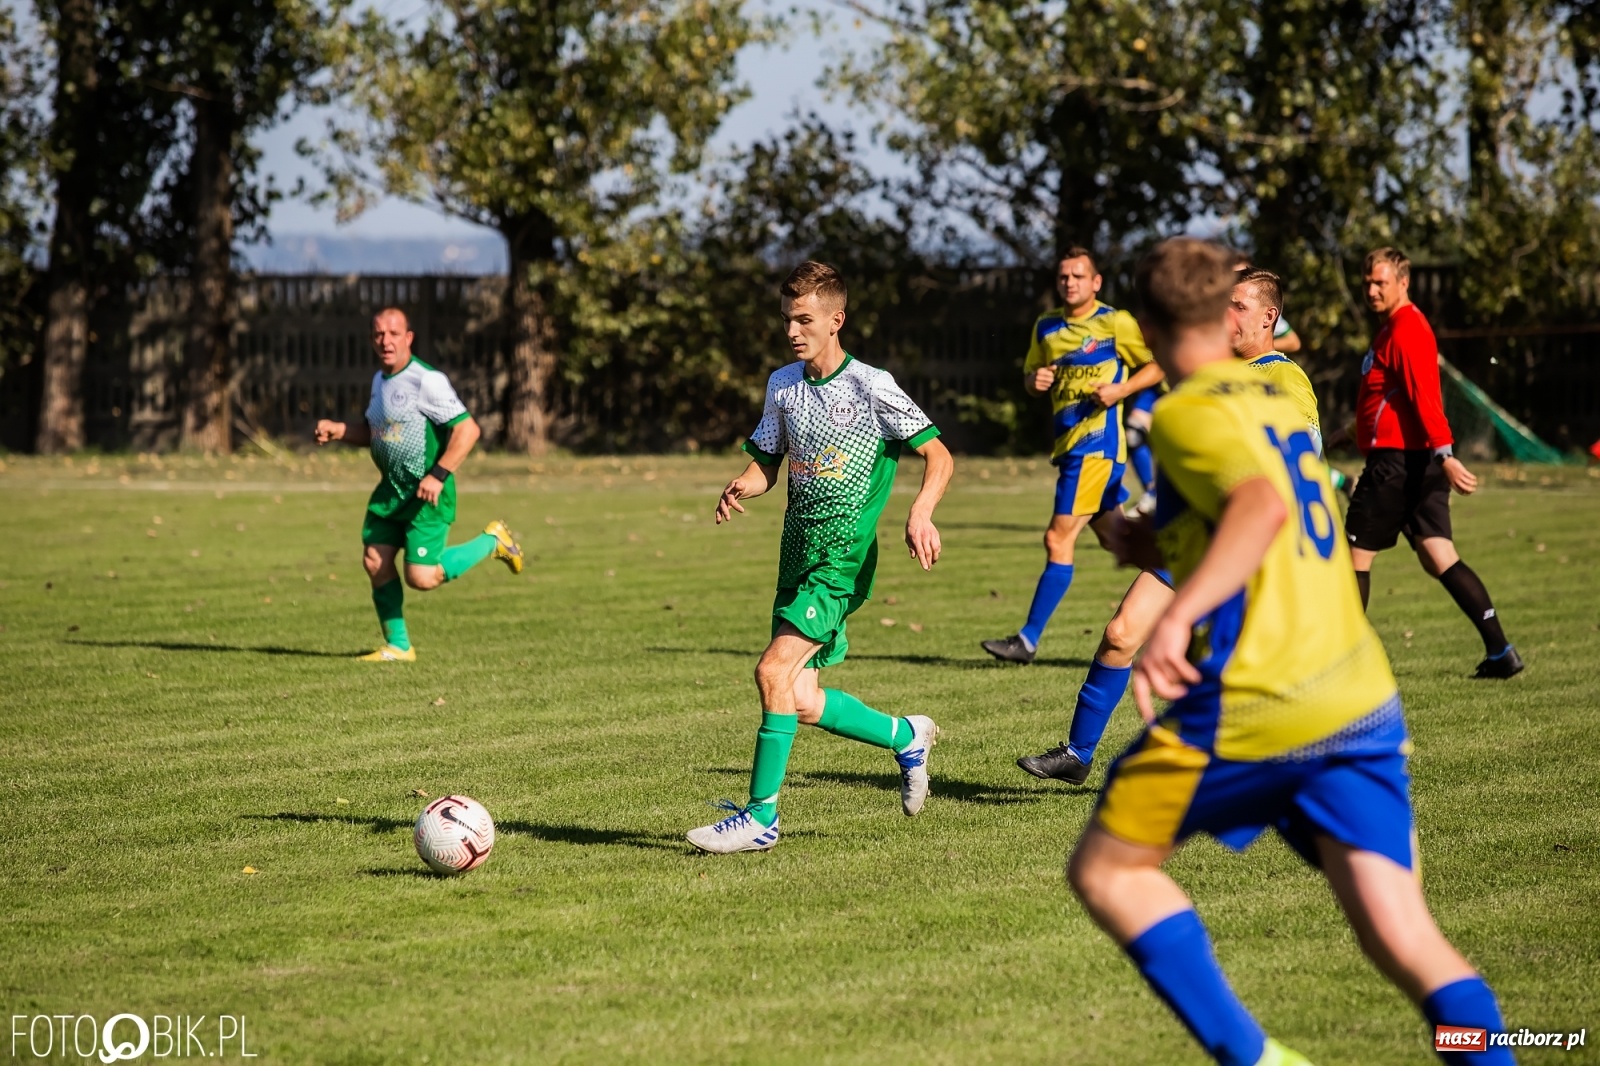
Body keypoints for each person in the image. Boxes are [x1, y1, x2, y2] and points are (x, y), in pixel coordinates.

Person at [1064, 237, 1512, 1066]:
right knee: (1405, 938)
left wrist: (1175, 617)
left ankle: (1255, 1059)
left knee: (1107, 870)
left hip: (1261, 696)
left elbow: (1261, 508)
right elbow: (1258, 512)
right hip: (1357, 690)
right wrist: (1149, 543)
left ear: (1154, 325)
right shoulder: (1271, 397)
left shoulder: (1189, 410)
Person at [1017, 267, 1325, 786]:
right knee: (1119, 633)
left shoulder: (1283, 377)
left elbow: (1301, 462)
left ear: (1270, 316)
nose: (1226, 317)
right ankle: (1078, 753)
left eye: (1240, 307)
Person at [687, 261, 955, 854]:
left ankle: (760, 818)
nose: (792, 330)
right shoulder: (782, 384)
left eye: (804, 319)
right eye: (787, 319)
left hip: (841, 560)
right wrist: (742, 484)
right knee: (801, 698)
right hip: (796, 555)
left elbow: (939, 457)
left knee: (771, 672)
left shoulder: (873, 386)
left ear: (836, 320)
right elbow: (767, 463)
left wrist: (920, 512)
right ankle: (905, 735)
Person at [1344, 248, 1522, 679]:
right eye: (1367, 282)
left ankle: (1341, 663)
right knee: (1438, 555)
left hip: (1399, 463)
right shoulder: (1391, 328)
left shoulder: (1407, 328)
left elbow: (1426, 396)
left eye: (1380, 283)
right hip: (1411, 460)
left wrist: (1444, 453)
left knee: (1353, 558)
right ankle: (1501, 652)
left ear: (1403, 283)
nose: (1371, 290)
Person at [981, 248, 1164, 664]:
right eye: (1064, 276)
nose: (1070, 282)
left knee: (1058, 537)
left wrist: (1121, 390)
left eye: (1079, 276)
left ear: (1095, 282)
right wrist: (1035, 380)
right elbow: (1031, 377)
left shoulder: (1115, 322)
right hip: (1068, 448)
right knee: (1123, 542)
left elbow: (1157, 367)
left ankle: (1027, 640)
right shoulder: (1046, 326)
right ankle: (1187, 592)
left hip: (1097, 447)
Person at [315, 307, 523, 661]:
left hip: (427, 494)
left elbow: (468, 430)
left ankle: (494, 541)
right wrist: (339, 430)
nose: (386, 341)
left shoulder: (427, 380)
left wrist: (438, 474)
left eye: (394, 334)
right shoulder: (379, 381)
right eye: (379, 334)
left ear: (409, 338)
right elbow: (377, 433)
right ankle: (398, 647)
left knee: (422, 578)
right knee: (375, 560)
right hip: (392, 492)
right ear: (371, 340)